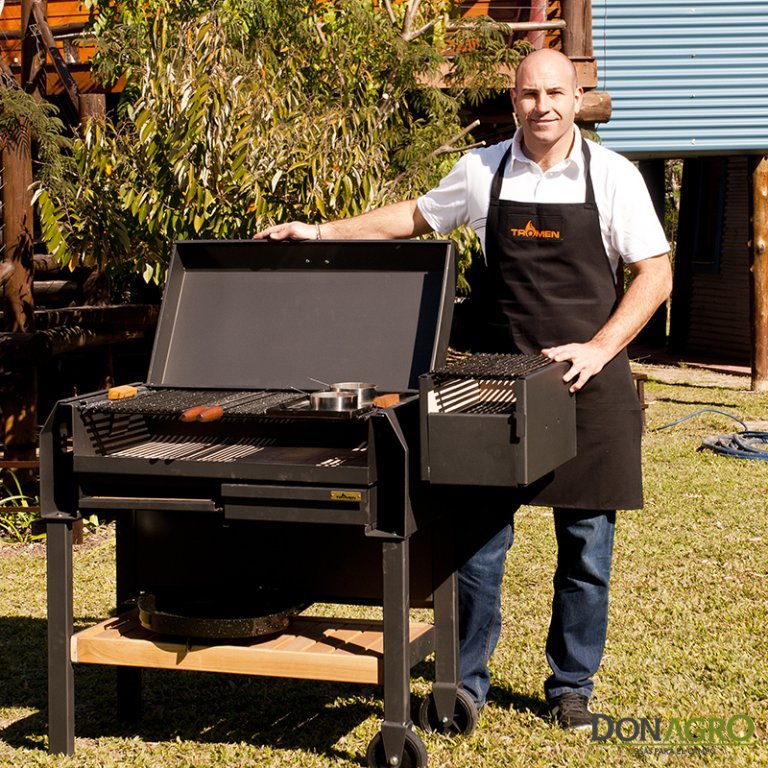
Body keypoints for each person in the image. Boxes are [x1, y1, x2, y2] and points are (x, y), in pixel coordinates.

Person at [254, 48, 672, 730]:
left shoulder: (616, 178)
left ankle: (572, 686)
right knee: (478, 547)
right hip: (494, 385)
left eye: (556, 93)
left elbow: (655, 273)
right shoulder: (482, 171)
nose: (544, 106)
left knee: (587, 550)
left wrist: (599, 349)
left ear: (577, 98)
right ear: (514, 101)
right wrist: (322, 231)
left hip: (588, 388)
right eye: (530, 94)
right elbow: (415, 218)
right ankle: (465, 681)